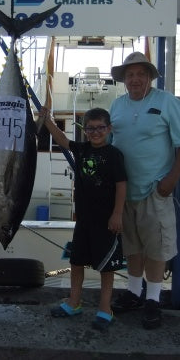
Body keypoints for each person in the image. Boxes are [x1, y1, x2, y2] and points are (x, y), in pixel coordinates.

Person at [109, 52, 180, 329]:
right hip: (124, 191)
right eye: (130, 75)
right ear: (123, 79)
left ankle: (153, 299)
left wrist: (171, 179)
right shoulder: (117, 105)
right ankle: (134, 293)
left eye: (140, 74)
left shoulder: (168, 102)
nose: (135, 79)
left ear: (150, 77)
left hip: (154, 190)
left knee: (156, 249)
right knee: (132, 246)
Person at [39, 106, 127, 331]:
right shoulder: (82, 149)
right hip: (84, 221)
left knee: (107, 267)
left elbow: (121, 186)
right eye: (90, 128)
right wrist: (46, 119)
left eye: (100, 128)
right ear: (84, 130)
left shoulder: (114, 155)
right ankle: (73, 303)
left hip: (107, 222)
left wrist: (117, 214)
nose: (95, 132)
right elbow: (60, 138)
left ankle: (105, 309)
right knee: (76, 262)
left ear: (109, 129)